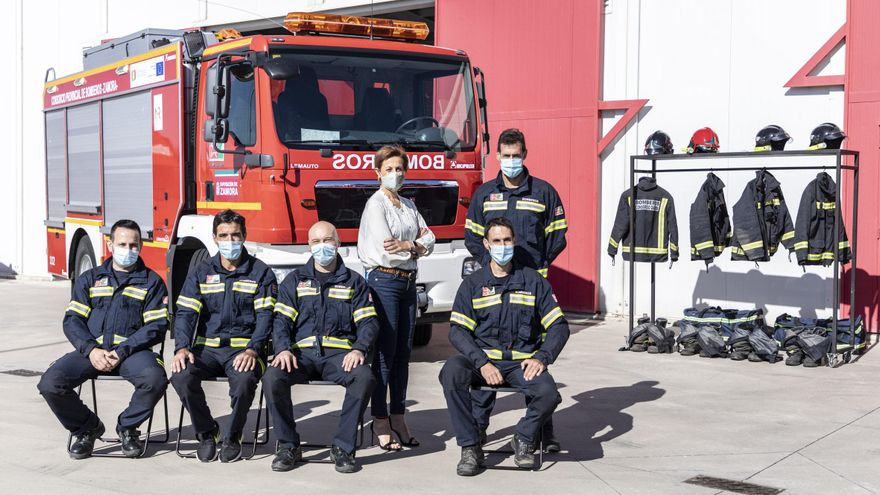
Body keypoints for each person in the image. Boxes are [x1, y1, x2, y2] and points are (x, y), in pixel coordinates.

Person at [464, 128, 568, 451]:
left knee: (534, 355)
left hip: (531, 288)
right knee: (488, 347)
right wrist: (492, 267)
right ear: (497, 156)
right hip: (491, 287)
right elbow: (472, 238)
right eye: (506, 156)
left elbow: (557, 236)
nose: (511, 161)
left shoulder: (544, 193)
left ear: (525, 154)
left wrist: (533, 268)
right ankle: (479, 427)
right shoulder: (484, 195)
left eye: (516, 155)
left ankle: (540, 431)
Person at [439, 218, 569, 476]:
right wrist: (481, 362)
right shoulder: (473, 284)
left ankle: (523, 438)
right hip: (483, 362)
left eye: (507, 240)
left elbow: (559, 326)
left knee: (548, 393)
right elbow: (458, 330)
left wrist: (542, 357)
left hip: (521, 363)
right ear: (486, 244)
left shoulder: (533, 281)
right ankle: (470, 446)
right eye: (496, 241)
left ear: (514, 242)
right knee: (451, 371)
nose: (502, 246)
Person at [38, 219, 169, 459]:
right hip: (92, 352)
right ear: (110, 245)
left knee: (155, 378)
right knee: (50, 383)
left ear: (140, 246)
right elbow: (72, 320)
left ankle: (128, 428)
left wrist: (122, 350)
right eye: (122, 244)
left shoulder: (152, 282)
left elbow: (156, 326)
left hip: (132, 354)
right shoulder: (90, 278)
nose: (128, 250)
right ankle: (86, 428)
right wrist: (91, 350)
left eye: (133, 245)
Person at [263, 221, 378, 473]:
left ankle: (343, 447)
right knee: (272, 376)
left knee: (364, 377)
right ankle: (288, 445)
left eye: (327, 240)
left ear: (337, 243)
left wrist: (359, 349)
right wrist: (282, 348)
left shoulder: (354, 282)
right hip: (300, 356)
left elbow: (368, 322)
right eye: (316, 242)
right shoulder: (294, 281)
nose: (322, 246)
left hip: (339, 356)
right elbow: (281, 320)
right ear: (308, 245)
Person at [170, 209, 277, 463]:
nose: (230, 241)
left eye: (235, 235)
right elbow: (185, 312)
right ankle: (208, 432)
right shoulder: (200, 271)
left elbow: (266, 318)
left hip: (245, 350)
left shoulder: (261, 273)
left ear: (245, 236)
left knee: (243, 382)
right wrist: (182, 347)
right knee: (181, 376)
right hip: (206, 349)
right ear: (215, 238)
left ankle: (233, 436)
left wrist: (253, 349)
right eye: (224, 235)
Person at [357, 145, 435, 451]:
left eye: (399, 169)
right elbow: (388, 249)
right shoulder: (375, 206)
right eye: (388, 169)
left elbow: (430, 238)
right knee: (384, 354)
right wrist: (414, 246)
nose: (395, 174)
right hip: (385, 282)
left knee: (404, 354)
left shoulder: (408, 205)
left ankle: (398, 415)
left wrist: (410, 245)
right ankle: (379, 419)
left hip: (408, 284)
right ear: (377, 172)